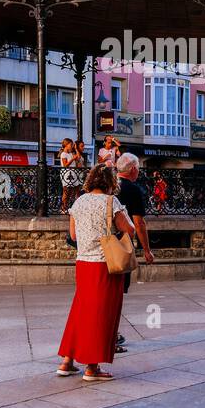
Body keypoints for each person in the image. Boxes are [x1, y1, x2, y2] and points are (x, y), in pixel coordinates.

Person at [56, 164, 136, 383]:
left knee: (80, 310)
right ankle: (92, 366)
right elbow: (130, 229)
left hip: (83, 262)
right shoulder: (112, 202)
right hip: (105, 264)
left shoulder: (78, 202)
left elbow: (73, 234)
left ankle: (67, 361)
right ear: (111, 182)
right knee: (102, 314)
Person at [115, 152, 154, 353]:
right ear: (132, 170)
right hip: (122, 246)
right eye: (137, 167)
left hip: (100, 247)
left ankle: (111, 334)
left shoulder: (108, 186)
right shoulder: (133, 190)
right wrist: (146, 250)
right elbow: (138, 222)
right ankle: (111, 336)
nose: (138, 171)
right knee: (118, 291)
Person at [60, 138, 84, 212]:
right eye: (70, 144)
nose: (71, 146)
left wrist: (76, 148)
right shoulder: (63, 154)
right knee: (66, 192)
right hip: (67, 173)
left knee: (71, 192)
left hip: (73, 173)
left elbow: (78, 157)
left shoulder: (70, 153)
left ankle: (68, 207)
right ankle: (63, 208)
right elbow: (65, 165)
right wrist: (72, 159)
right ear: (66, 145)